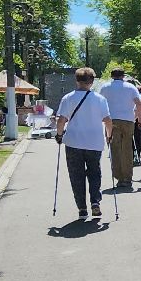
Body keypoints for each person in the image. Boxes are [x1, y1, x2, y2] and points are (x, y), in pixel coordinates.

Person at [55, 67, 113, 220]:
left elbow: (61, 120)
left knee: (76, 176)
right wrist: (109, 136)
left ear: (77, 80)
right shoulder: (100, 99)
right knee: (95, 173)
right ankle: (95, 201)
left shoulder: (68, 98)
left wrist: (59, 135)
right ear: (92, 82)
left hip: (73, 142)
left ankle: (82, 208)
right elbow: (108, 121)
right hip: (94, 142)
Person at [100, 67, 141, 191]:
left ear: (112, 76)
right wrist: (139, 119)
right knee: (127, 149)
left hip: (111, 120)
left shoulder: (104, 87)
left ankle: (118, 176)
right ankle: (127, 177)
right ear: (123, 76)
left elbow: (100, 102)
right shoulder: (131, 87)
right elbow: (139, 104)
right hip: (128, 120)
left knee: (115, 149)